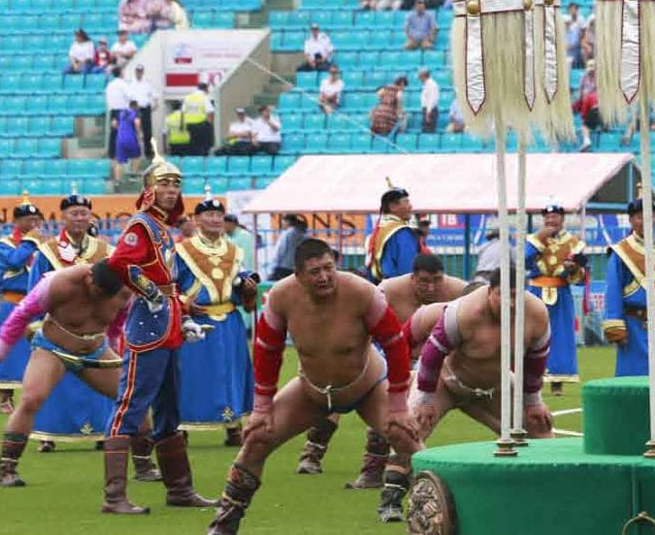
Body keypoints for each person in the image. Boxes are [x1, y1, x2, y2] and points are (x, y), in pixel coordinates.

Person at [206, 239, 421, 532]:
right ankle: (223, 525)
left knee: (408, 440)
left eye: (328, 268)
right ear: (298, 275)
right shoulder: (281, 296)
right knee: (256, 439)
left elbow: (395, 344)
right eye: (314, 272)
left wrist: (398, 405)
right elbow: (267, 350)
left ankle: (441, 519)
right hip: (312, 391)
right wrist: (261, 408)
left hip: (368, 387)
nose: (324, 277)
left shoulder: (362, 293)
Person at [100, 156, 217, 515]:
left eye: (176, 184)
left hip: (168, 323)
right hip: (148, 326)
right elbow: (120, 262)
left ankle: (179, 489)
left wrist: (184, 318)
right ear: (149, 188)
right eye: (164, 183)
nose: (171, 190)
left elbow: (171, 283)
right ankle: (114, 496)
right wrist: (150, 292)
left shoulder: (162, 228)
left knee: (169, 408)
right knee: (131, 405)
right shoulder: (142, 224)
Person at [0, 261, 134, 487]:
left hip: (95, 350)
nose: (99, 298)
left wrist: (115, 347)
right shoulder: (59, 283)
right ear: (89, 278)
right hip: (52, 348)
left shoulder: (125, 293)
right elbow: (21, 314)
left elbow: (117, 324)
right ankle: (7, 468)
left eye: (105, 296)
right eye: (97, 292)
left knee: (132, 398)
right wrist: (1, 348)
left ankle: (144, 464)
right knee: (31, 399)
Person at [21, 191, 120, 455]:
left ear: (90, 217)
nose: (79, 218)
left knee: (103, 380)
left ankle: (101, 431)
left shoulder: (105, 251)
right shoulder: (47, 251)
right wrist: (35, 324)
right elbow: (35, 292)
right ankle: (48, 434)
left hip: (93, 332)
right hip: (58, 331)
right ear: (63, 217)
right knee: (52, 383)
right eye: (73, 213)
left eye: (83, 213)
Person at [411, 269, 553, 448]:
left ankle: (545, 467)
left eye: (516, 296)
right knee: (409, 430)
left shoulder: (536, 315)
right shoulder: (460, 312)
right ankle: (386, 461)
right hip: (446, 383)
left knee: (539, 425)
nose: (510, 303)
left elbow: (536, 361)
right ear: (489, 291)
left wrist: (533, 402)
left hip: (495, 386)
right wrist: (424, 398)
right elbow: (431, 354)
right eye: (503, 295)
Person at [175, 192, 259, 447]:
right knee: (191, 374)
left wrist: (248, 289)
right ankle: (182, 426)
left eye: (218, 215)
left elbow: (241, 287)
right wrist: (184, 304)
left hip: (229, 321)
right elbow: (169, 285)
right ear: (197, 219)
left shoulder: (234, 251)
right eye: (209, 215)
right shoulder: (182, 250)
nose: (214, 219)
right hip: (196, 321)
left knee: (232, 372)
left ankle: (233, 425)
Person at [603, 200, 655, 377]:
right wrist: (616, 326)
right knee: (634, 377)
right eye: (639, 217)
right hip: (634, 327)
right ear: (631, 220)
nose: (645, 221)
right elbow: (613, 290)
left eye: (649, 216)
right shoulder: (621, 251)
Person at [525, 205, 587, 394]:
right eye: (548, 217)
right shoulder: (533, 240)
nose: (551, 220)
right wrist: (540, 239)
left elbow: (581, 276)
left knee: (560, 336)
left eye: (555, 217)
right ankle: (531, 379)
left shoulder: (574, 243)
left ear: (562, 219)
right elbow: (524, 260)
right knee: (532, 334)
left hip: (561, 293)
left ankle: (557, 380)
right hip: (536, 291)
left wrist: (573, 269)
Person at [0, 198, 43, 413]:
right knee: (10, 350)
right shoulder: (4, 244)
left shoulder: (42, 246)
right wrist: (30, 242)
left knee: (40, 350)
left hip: (36, 303)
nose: (33, 224)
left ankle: (37, 396)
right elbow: (15, 261)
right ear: (16, 222)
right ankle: (5, 396)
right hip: (13, 303)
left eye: (36, 220)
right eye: (28, 220)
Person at [365, 183, 421, 283]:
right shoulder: (401, 232)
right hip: (398, 287)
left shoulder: (379, 231)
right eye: (406, 202)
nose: (410, 206)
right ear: (393, 207)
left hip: (379, 286)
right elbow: (408, 270)